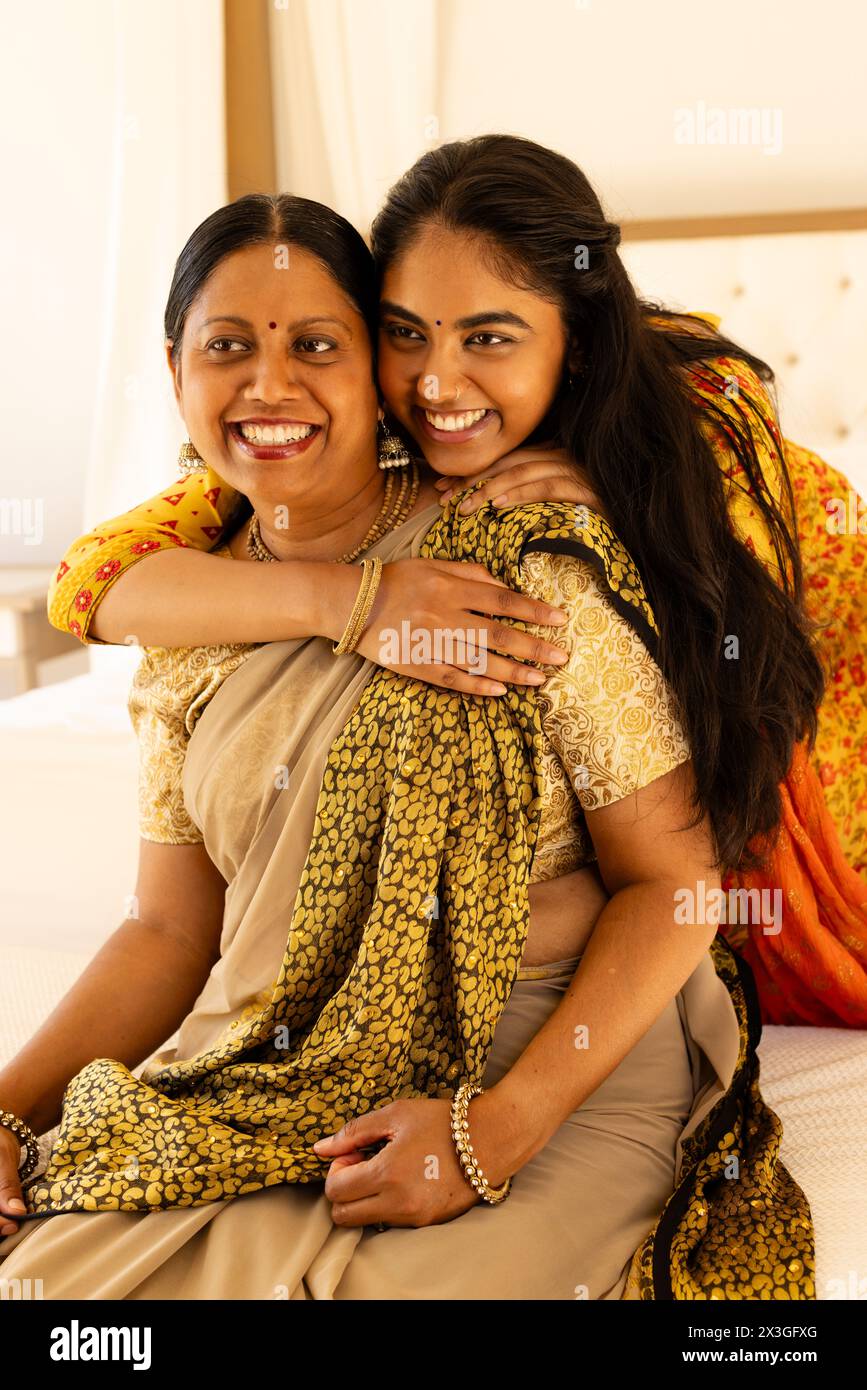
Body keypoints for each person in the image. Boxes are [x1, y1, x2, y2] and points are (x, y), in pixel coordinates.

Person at [0, 189, 811, 1299]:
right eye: (227, 346)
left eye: (317, 345)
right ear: (175, 368)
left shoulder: (520, 555)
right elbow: (163, 930)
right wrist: (7, 1111)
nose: (270, 387)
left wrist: (491, 1135)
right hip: (290, 1065)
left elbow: (675, 884)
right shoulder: (186, 615)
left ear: (369, 372)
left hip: (551, 1064)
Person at [47, 136, 867, 1029]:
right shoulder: (304, 439)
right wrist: (355, 601)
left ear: (580, 344)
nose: (436, 383)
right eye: (405, 333)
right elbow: (91, 585)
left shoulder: (704, 422)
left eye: (488, 337)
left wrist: (625, 487)